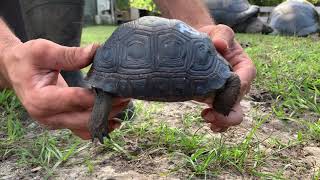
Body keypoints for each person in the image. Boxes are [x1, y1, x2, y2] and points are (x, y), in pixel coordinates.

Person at [0, 0, 256, 140]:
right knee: (98, 95)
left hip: (132, 62)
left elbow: (231, 80)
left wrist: (201, 28)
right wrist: (8, 53)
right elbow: (229, 81)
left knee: (103, 94)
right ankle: (59, 82)